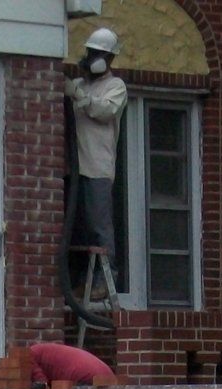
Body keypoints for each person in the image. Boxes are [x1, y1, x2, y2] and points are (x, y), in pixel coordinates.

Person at [66, 27, 127, 290]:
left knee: (99, 228)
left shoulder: (115, 87)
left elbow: (104, 111)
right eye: (92, 52)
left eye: (99, 54)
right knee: (76, 228)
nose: (94, 58)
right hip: (73, 168)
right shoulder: (79, 85)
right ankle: (80, 280)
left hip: (97, 168)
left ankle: (106, 278)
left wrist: (78, 95)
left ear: (110, 58)